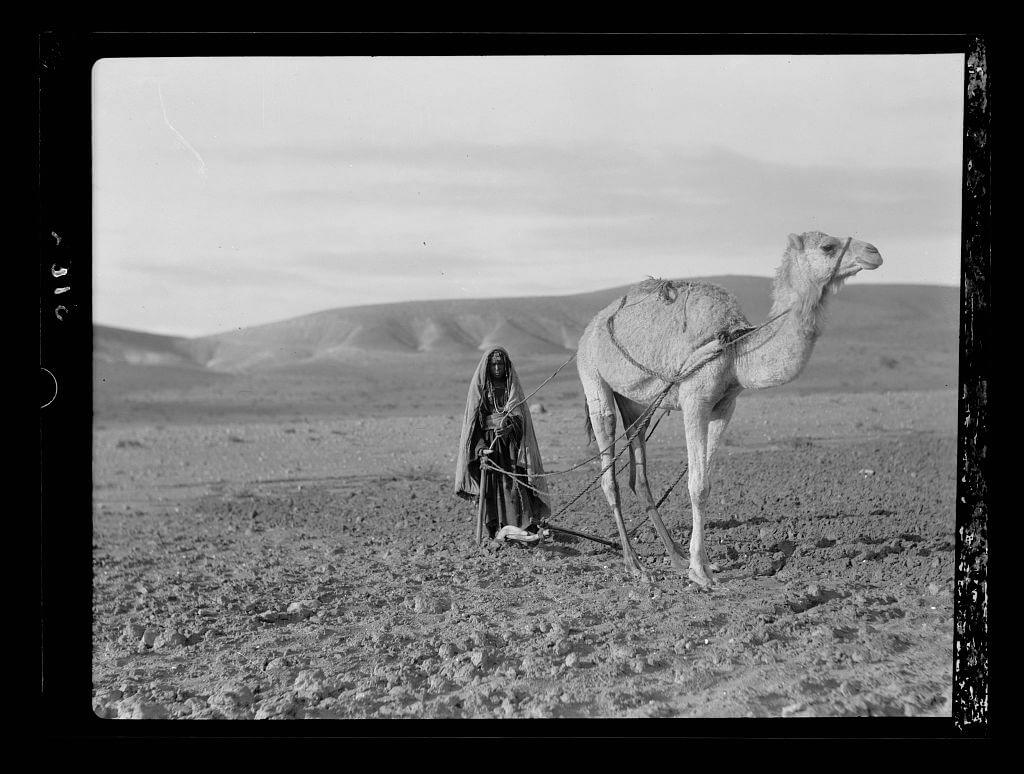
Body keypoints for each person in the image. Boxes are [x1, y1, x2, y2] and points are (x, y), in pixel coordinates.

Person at [454, 347, 551, 545]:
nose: (497, 368)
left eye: (500, 363)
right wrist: (480, 448)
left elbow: (519, 418)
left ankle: (523, 527)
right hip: (490, 447)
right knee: (493, 489)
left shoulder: (511, 388)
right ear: (487, 367)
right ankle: (496, 529)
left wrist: (508, 429)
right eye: (493, 364)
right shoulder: (482, 390)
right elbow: (474, 424)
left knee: (514, 486)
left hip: (510, 447)